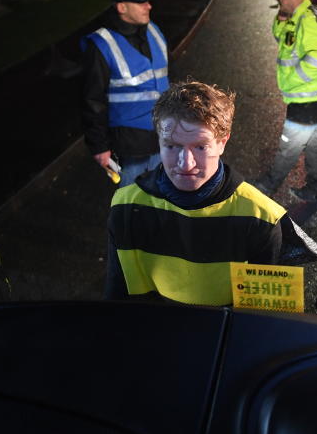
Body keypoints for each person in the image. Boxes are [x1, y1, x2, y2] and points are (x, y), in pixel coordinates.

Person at [104, 80, 286, 306]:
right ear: (158, 142)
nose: (186, 164)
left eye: (200, 147)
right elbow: (116, 297)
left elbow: (264, 314)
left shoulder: (263, 219)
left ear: (222, 142)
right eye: (172, 146)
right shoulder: (123, 207)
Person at [256, 0, 317, 201]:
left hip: (308, 99)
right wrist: (282, 16)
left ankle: (268, 185)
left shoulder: (309, 20)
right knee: (314, 142)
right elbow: (281, 37)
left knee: (290, 144)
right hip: (312, 97)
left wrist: (294, 79)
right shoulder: (295, 17)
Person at [81, 0, 169, 187]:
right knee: (132, 204)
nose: (149, 6)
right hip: (130, 145)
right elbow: (92, 100)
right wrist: (99, 146)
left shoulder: (153, 31)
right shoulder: (101, 44)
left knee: (165, 197)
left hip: (164, 135)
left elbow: (168, 77)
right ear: (121, 7)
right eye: (141, 2)